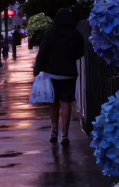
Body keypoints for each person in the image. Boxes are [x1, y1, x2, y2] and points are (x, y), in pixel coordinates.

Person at [33, 8, 85, 145]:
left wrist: (38, 69)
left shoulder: (50, 34)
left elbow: (42, 53)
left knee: (54, 103)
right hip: (69, 74)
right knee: (66, 102)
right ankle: (65, 135)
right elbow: (80, 52)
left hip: (52, 74)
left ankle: (54, 129)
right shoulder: (75, 34)